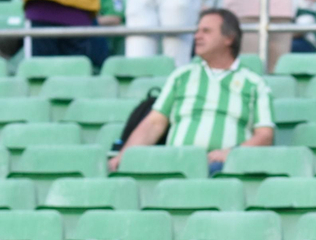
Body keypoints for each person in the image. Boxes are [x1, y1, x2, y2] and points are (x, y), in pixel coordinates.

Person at [108, 9, 276, 174]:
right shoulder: (182, 76)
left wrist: (230, 154)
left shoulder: (254, 83)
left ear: (229, 38)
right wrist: (124, 155)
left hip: (224, 168)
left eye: (206, 31)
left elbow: (265, 136)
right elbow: (154, 123)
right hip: (174, 165)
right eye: (197, 31)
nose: (197, 36)